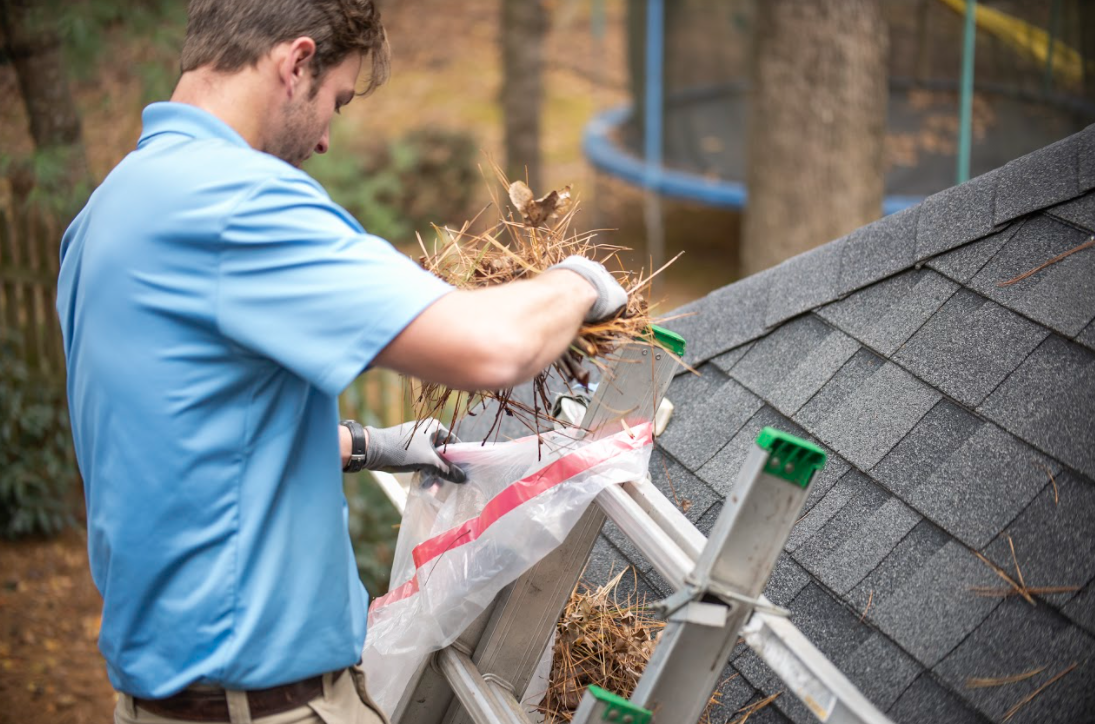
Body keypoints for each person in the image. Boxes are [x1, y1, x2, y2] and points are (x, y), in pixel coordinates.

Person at [54, 1, 628, 722]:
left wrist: (366, 446)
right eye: (337, 100)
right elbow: (492, 347)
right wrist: (576, 283)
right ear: (296, 63)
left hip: (164, 700)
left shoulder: (110, 210)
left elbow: (170, 440)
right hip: (264, 707)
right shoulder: (236, 204)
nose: (326, 138)